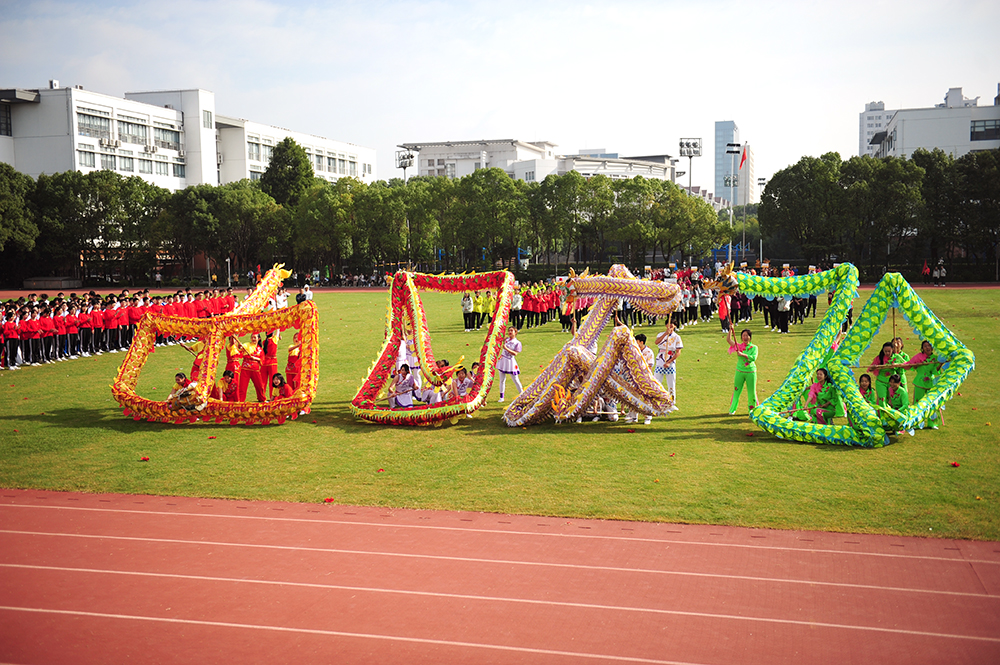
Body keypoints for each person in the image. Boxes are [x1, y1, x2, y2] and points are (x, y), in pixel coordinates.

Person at [904, 340, 943, 429]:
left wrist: (940, 364)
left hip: (931, 383)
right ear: (922, 348)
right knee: (918, 403)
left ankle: (932, 423)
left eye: (929, 345)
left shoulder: (935, 358)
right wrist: (916, 365)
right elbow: (911, 365)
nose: (927, 347)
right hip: (919, 383)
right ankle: (916, 423)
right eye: (925, 346)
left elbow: (934, 371)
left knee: (933, 403)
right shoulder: (918, 357)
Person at [626, 333, 656, 425]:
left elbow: (649, 366)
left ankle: (647, 417)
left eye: (637, 341)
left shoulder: (649, 352)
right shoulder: (634, 351)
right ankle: (633, 416)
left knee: (646, 398)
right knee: (634, 397)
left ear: (641, 342)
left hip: (644, 378)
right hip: (634, 377)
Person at [727, 327, 758, 415]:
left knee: (751, 392)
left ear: (750, 337)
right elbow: (729, 340)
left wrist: (742, 354)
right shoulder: (738, 346)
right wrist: (730, 330)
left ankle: (752, 410)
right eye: (743, 335)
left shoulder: (754, 348)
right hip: (739, 371)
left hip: (751, 372)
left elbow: (753, 358)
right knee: (736, 390)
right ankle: (732, 409)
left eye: (747, 335)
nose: (745, 337)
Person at [654, 320, 682, 413]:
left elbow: (678, 352)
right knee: (656, 382)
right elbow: (656, 342)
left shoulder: (677, 337)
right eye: (669, 325)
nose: (670, 327)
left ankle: (671, 403)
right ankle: (656, 402)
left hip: (670, 360)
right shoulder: (661, 334)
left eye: (672, 325)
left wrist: (669, 362)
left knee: (671, 383)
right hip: (660, 360)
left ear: (675, 326)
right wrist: (666, 334)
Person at [496, 326, 523, 403]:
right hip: (502, 360)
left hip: (510, 361)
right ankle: (501, 397)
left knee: (515, 379)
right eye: (509, 331)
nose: (510, 332)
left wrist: (506, 348)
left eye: (512, 330)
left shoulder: (517, 343)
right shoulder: (506, 339)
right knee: (502, 380)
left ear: (515, 332)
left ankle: (522, 394)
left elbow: (515, 353)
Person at [237, 333, 266, 402]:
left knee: (259, 385)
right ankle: (240, 401)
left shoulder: (260, 349)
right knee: (243, 387)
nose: (253, 339)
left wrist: (255, 358)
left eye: (255, 337)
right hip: (245, 368)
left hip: (255, 369)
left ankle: (262, 399)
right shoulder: (247, 345)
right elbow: (241, 348)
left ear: (258, 339)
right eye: (252, 337)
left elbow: (262, 360)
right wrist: (240, 346)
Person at [868, 341, 896, 405]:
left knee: (892, 400)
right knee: (882, 400)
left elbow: (906, 364)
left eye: (889, 351)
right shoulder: (879, 358)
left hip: (892, 383)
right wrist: (875, 367)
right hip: (881, 382)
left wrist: (897, 365)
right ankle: (881, 414)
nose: (887, 353)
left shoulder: (896, 357)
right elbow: (870, 369)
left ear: (893, 350)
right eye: (885, 351)